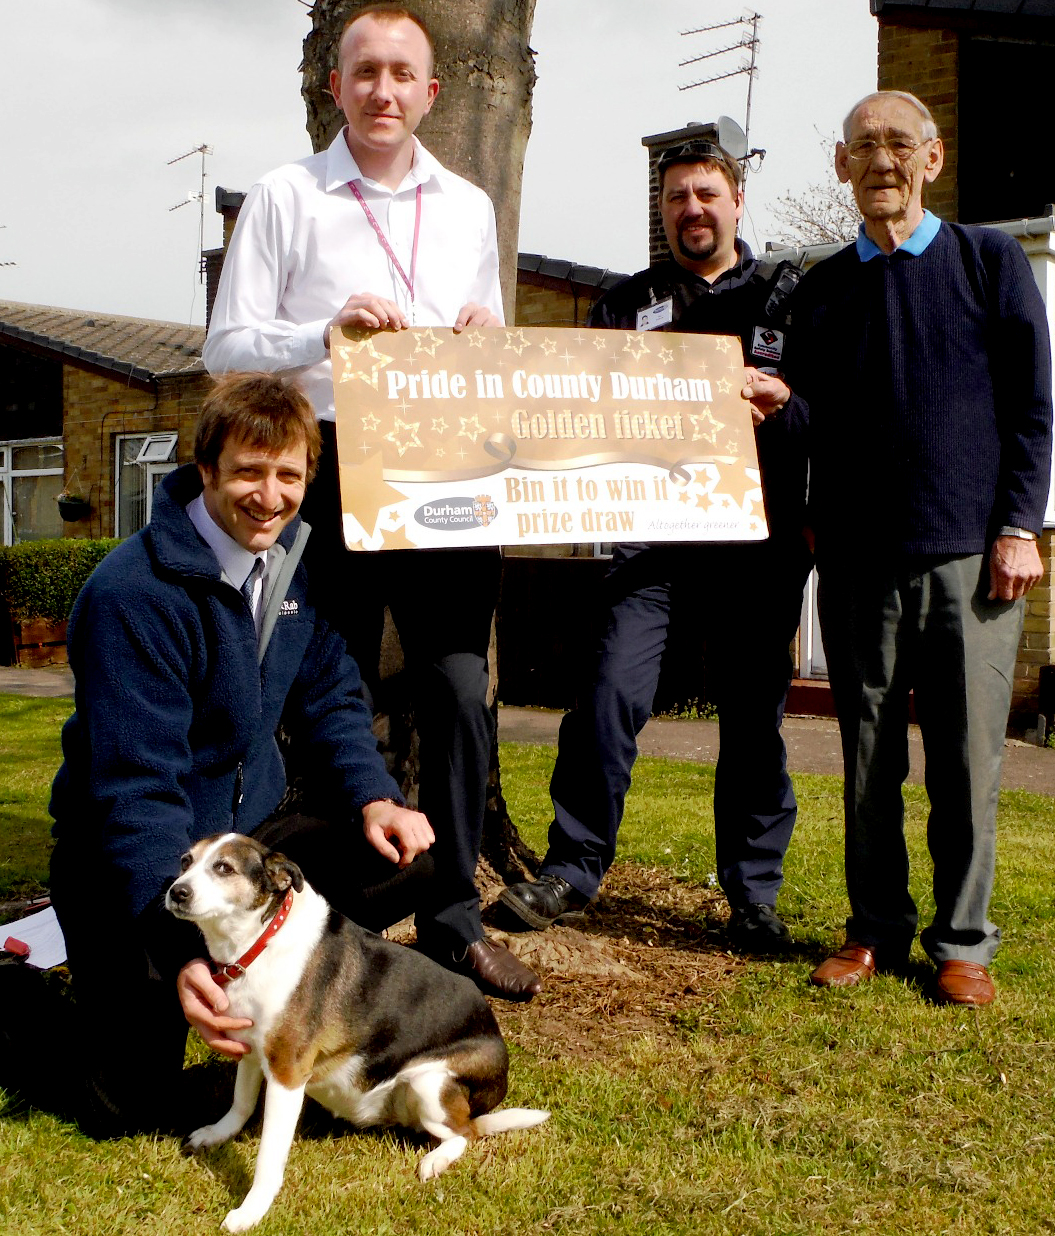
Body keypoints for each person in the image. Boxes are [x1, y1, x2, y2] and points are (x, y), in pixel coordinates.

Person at [202, 5, 540, 1000]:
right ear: (336, 86)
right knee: (323, 689)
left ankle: (451, 916)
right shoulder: (284, 196)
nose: (384, 91)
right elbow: (224, 351)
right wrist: (322, 332)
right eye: (366, 73)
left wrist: (484, 339)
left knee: (454, 688)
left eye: (403, 75)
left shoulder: (469, 207)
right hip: (329, 460)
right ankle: (319, 919)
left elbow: (481, 355)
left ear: (430, 93)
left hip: (439, 468)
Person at [46, 372, 440, 1136]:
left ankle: (286, 989)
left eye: (288, 475)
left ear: (308, 479)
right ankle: (21, 1002)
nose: (269, 496)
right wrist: (179, 950)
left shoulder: (298, 561)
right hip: (130, 860)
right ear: (205, 472)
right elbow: (135, 790)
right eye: (248, 472)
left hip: (240, 844)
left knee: (406, 859)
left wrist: (374, 796)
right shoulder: (133, 593)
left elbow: (330, 698)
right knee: (125, 1109)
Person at [498, 138, 813, 952]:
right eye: (676, 197)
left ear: (737, 200)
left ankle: (752, 899)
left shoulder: (787, 297)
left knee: (752, 726)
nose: (691, 210)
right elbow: (587, 418)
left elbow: (828, 417)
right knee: (607, 698)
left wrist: (782, 404)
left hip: (756, 547)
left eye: (706, 193)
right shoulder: (622, 305)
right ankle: (573, 869)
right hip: (651, 549)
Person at [785, 91, 1052, 1005]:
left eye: (900, 143)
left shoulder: (988, 263)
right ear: (840, 165)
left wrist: (1019, 527)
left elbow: (1031, 411)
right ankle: (872, 928)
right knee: (867, 755)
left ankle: (962, 943)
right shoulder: (822, 289)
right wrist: (781, 408)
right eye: (864, 146)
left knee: (966, 756)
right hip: (858, 560)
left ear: (931, 160)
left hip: (970, 561)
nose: (882, 161)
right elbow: (815, 416)